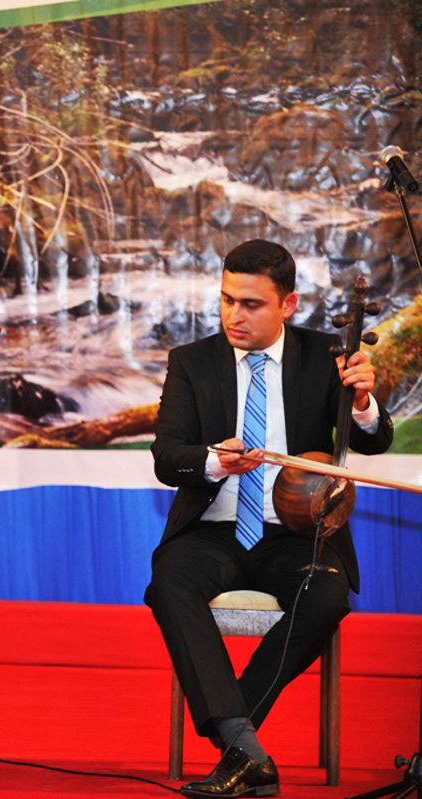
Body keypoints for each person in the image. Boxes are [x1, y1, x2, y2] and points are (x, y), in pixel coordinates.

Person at [147, 239, 394, 798]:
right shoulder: (192, 362)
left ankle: (237, 740)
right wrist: (213, 461)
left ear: (288, 304)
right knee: (168, 582)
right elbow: (168, 458)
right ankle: (245, 744)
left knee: (326, 596)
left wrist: (361, 405)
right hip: (214, 527)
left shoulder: (327, 354)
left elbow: (375, 442)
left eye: (252, 304)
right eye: (227, 300)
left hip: (299, 533)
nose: (235, 315)